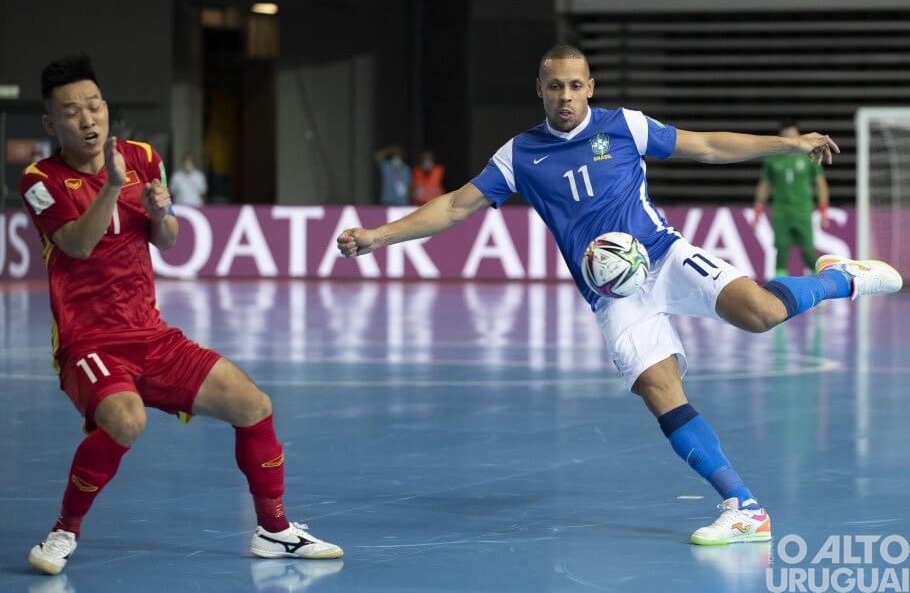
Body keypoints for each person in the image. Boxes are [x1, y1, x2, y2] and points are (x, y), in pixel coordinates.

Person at [337, 44, 903, 545]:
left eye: (575, 85)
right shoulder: (520, 155)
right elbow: (456, 205)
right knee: (661, 392)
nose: (565, 96)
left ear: (591, 87)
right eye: (553, 86)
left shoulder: (622, 126)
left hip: (662, 255)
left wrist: (787, 145)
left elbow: (703, 144)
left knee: (758, 313)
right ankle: (744, 507)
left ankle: (841, 277)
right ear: (539, 89)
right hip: (612, 292)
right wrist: (378, 236)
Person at [20, 54, 342, 576]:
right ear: (51, 123)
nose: (87, 119)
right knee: (127, 420)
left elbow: (167, 241)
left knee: (253, 404)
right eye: (72, 111)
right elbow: (77, 246)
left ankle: (274, 530)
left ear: (106, 107)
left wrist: (161, 211)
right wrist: (109, 188)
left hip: (152, 334)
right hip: (90, 343)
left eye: (95, 106)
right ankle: (63, 531)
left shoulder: (144, 156)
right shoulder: (41, 180)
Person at [753, 119, 831, 277]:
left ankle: (823, 284)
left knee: (808, 252)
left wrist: (823, 210)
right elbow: (764, 186)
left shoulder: (809, 157)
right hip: (781, 212)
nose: (793, 143)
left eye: (795, 138)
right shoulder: (772, 159)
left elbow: (820, 184)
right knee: (781, 251)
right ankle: (780, 289)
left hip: (802, 211)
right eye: (789, 139)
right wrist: (758, 210)